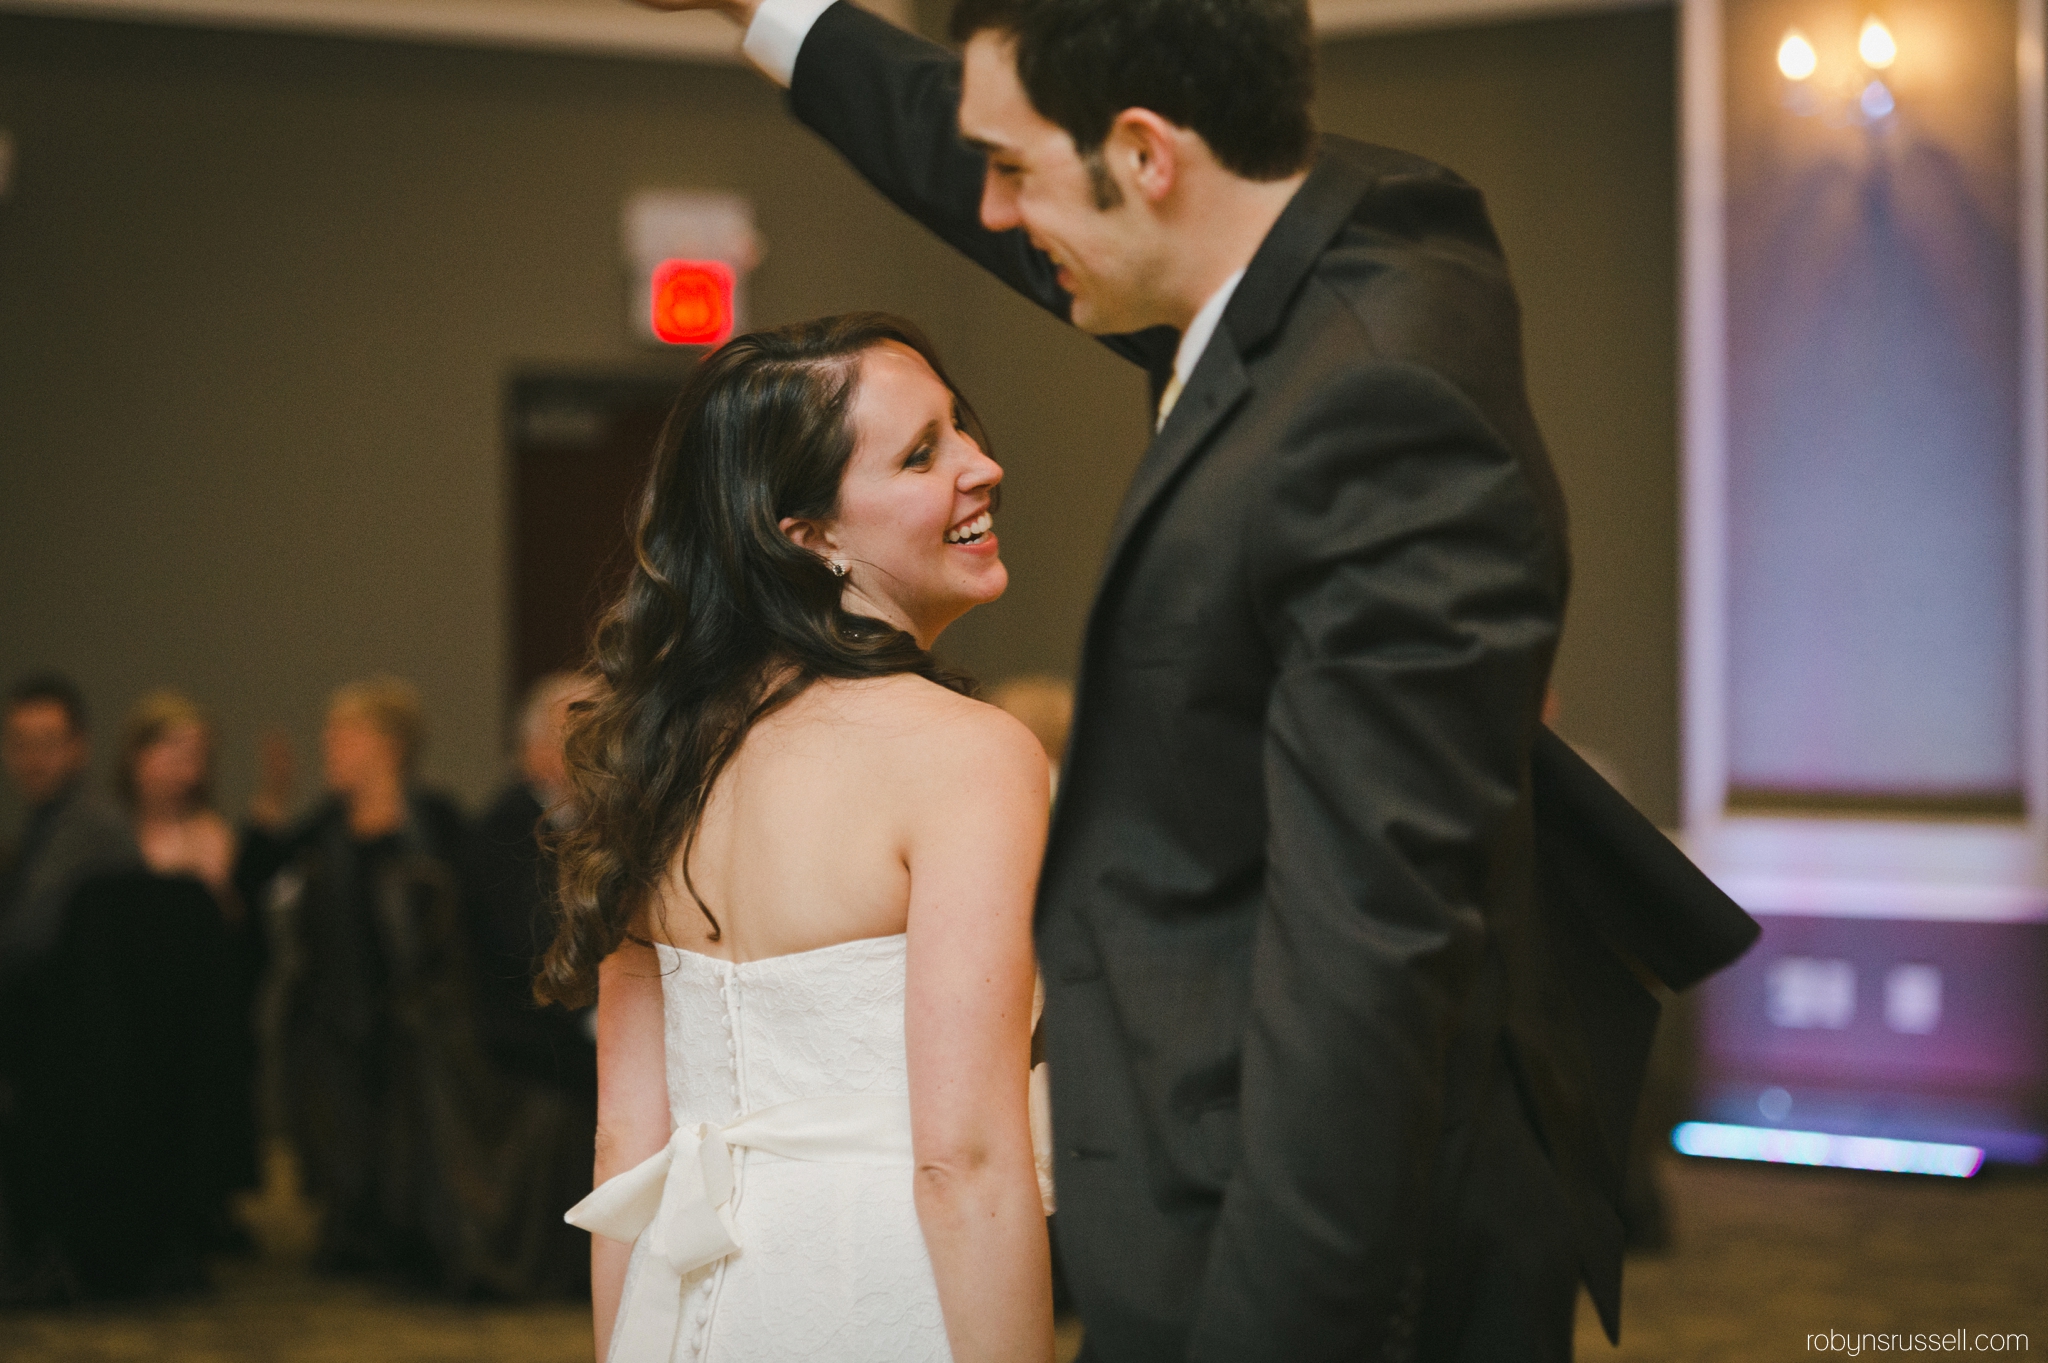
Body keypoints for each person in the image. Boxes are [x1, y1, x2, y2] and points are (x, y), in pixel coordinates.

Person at [640, 3, 1758, 1359]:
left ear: (1147, 155)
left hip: (1345, 1238)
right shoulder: (1322, 258)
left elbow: (1368, 964)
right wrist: (767, 11)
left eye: (1014, 171)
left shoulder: (1373, 395)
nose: (989, 212)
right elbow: (1025, 144)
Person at [540, 313, 1054, 1362]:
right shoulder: (969, 755)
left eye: (960, 429)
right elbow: (961, 1158)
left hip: (678, 1305)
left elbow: (624, 1144)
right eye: (922, 452)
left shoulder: (658, 756)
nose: (982, 464)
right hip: (884, 1297)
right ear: (805, 532)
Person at [244, 676, 468, 1278]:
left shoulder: (436, 822)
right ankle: (351, 1231)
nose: (329, 746)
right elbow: (253, 881)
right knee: (338, 1115)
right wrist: (269, 804)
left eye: (344, 734)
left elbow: (463, 920)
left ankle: (411, 1236)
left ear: (388, 745)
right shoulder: (323, 827)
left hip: (416, 1013)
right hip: (335, 1012)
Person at [118, 691, 238, 911]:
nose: (188, 774)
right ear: (138, 756)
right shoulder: (107, 832)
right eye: (176, 758)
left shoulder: (210, 836)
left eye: (197, 758)